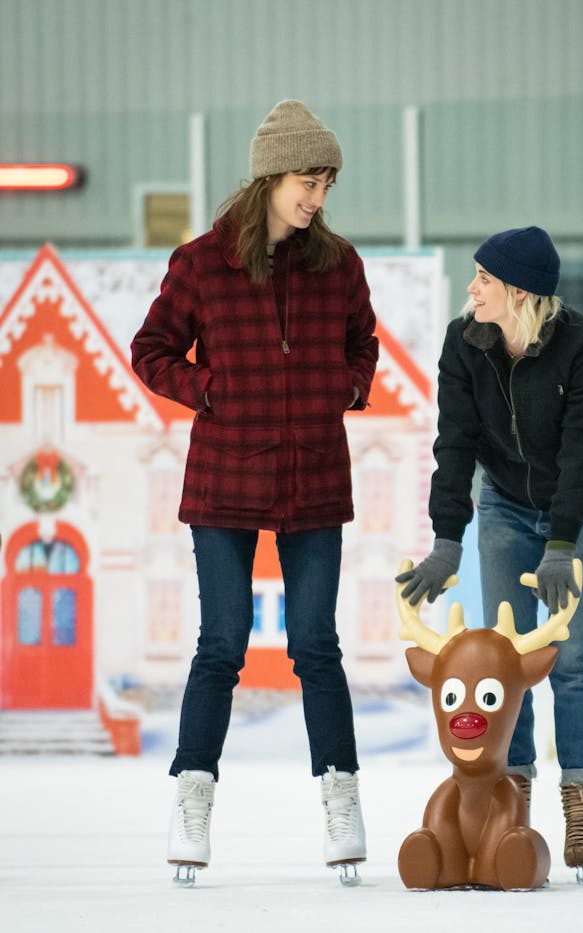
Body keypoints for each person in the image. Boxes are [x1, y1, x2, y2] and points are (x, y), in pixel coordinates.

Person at [131, 100, 378, 884]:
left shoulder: (337, 263)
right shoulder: (202, 262)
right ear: (272, 175)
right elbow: (150, 349)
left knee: (316, 645)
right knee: (222, 644)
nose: (318, 198)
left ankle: (341, 797)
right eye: (309, 181)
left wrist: (345, 383)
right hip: (225, 477)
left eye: (326, 183)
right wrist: (207, 389)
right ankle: (191, 798)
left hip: (314, 476)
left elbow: (362, 342)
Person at [396, 226, 583, 882]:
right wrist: (445, 538)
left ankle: (581, 805)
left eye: (484, 279)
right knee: (507, 657)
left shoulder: (581, 345)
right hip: (502, 505)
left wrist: (561, 543)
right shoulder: (464, 342)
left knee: (574, 658)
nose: (471, 289)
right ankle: (508, 806)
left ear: (519, 291)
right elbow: (455, 442)